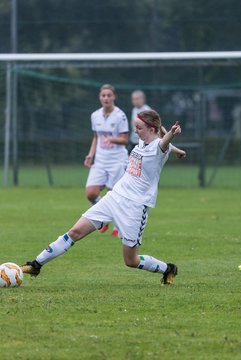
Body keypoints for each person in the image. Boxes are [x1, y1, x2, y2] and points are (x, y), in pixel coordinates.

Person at [21, 110, 183, 285]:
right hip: (114, 197)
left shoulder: (158, 147)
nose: (135, 131)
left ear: (152, 128)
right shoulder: (144, 142)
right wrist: (178, 150)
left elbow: (163, 143)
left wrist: (172, 135)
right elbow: (163, 141)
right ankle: (36, 264)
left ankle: (168, 269)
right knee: (74, 232)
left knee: (131, 260)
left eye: (139, 128)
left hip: (135, 207)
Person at [84, 84, 129, 236]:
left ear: (114, 97)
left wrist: (113, 139)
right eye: (103, 95)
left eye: (109, 95)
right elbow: (96, 137)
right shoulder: (95, 115)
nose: (106, 98)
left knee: (114, 194)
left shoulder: (120, 116)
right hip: (101, 160)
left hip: (117, 160)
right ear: (100, 97)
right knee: (91, 193)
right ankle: (104, 219)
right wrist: (91, 155)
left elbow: (125, 139)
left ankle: (118, 227)